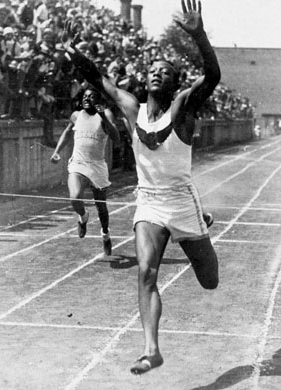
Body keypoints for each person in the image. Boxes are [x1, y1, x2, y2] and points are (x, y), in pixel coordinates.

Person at [62, 0, 219, 375]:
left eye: (165, 72)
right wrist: (73, 53)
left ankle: (203, 224)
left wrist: (198, 35)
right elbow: (99, 79)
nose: (156, 74)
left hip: (182, 202)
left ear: (174, 82)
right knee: (146, 272)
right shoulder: (131, 108)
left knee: (210, 281)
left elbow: (211, 76)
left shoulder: (183, 106)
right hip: (148, 203)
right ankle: (152, 350)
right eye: (152, 70)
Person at [50, 87, 119, 255]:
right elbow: (67, 132)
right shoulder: (76, 115)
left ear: (98, 100)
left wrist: (102, 116)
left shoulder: (106, 114)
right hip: (78, 164)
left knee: (101, 208)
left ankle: (105, 234)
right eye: (85, 96)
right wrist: (57, 151)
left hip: (97, 166)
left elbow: (116, 137)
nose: (87, 99)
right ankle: (83, 216)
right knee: (75, 197)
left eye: (92, 96)